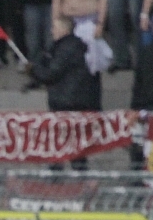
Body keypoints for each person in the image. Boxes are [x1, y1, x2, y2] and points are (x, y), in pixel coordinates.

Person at [30, 15, 101, 169]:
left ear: (64, 29)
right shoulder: (70, 46)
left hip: (66, 102)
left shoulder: (65, 48)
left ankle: (60, 177)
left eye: (54, 27)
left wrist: (34, 69)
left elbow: (51, 74)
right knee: (73, 143)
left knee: (61, 142)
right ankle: (76, 174)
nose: (51, 31)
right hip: (73, 100)